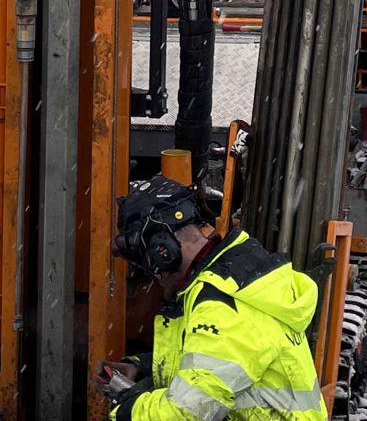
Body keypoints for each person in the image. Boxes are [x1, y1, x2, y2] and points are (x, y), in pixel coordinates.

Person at [103, 176, 327, 421]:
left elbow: (188, 412)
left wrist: (129, 410)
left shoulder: (223, 303)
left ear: (162, 250)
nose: (151, 275)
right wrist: (145, 367)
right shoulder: (225, 279)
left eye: (147, 260)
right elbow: (213, 364)